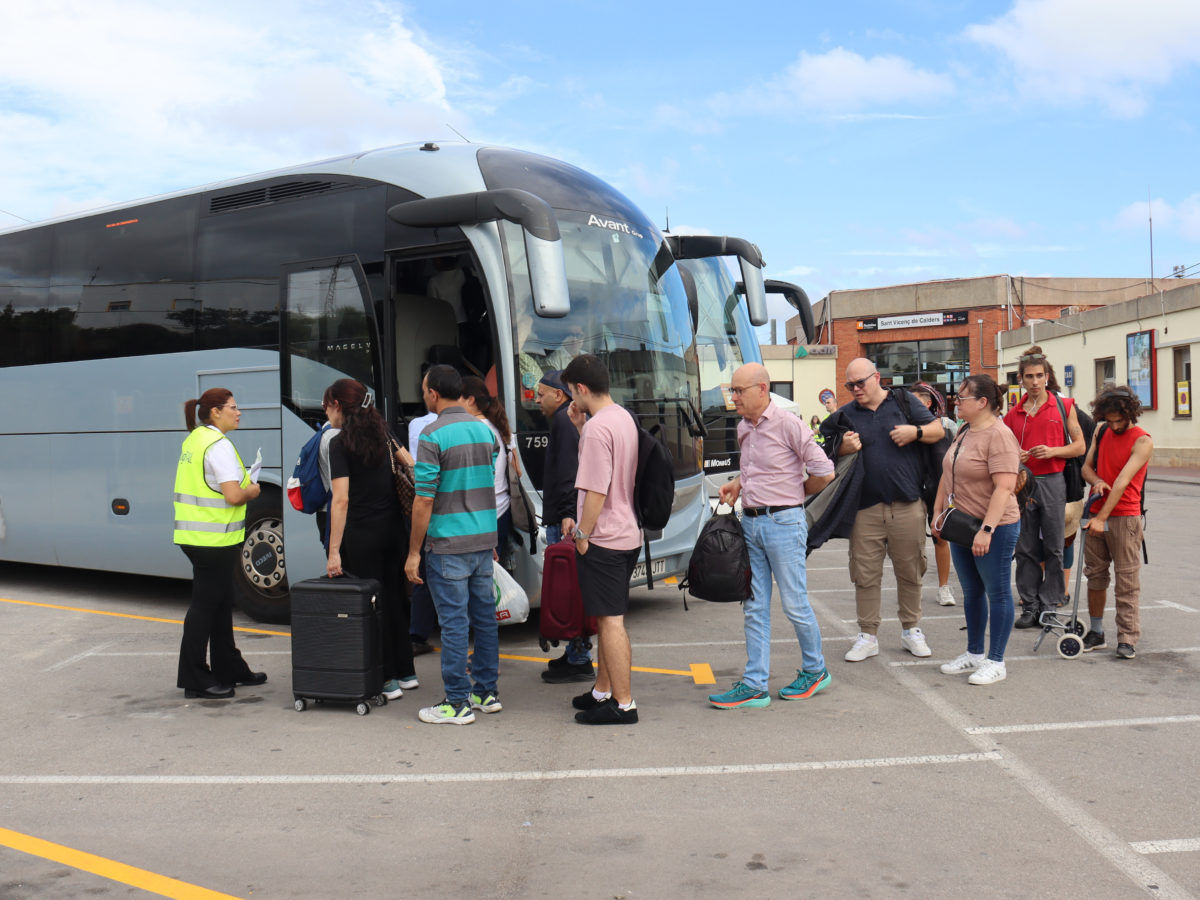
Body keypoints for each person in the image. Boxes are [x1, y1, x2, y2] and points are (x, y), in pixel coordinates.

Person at [709, 363, 835, 709]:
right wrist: (738, 484)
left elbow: (824, 472)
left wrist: (791, 496)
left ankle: (815, 669)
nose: (733, 397)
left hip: (783, 524)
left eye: (739, 391)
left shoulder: (789, 425)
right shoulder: (743, 428)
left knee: (794, 604)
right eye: (731, 391)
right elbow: (758, 470)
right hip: (750, 523)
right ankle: (754, 684)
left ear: (762, 390)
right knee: (753, 607)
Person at [407, 364, 501, 725]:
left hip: (447, 543)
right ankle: (486, 692)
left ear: (433, 393)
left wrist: (414, 551)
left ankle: (457, 702)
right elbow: (486, 482)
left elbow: (424, 499)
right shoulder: (484, 431)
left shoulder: (432, 435)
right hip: (482, 539)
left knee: (454, 624)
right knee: (484, 620)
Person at [833, 359, 944, 662]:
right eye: (850, 385)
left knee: (910, 571)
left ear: (877, 378)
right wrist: (842, 448)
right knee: (865, 575)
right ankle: (868, 635)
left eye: (860, 383)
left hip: (907, 504)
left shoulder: (904, 401)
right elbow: (821, 449)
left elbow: (938, 430)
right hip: (864, 509)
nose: (855, 389)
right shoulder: (844, 414)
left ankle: (911, 630)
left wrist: (915, 433)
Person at [323, 379, 416, 702]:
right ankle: (406, 671)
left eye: (327, 405)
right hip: (394, 530)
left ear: (337, 405)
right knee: (394, 596)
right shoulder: (383, 432)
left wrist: (334, 551)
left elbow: (341, 500)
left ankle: (386, 677)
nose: (326, 412)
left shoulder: (339, 443)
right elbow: (412, 466)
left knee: (371, 605)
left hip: (362, 535)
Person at [561, 354, 642, 725]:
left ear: (580, 388)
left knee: (610, 622)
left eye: (569, 393)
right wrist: (581, 427)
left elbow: (595, 490)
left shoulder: (597, 429)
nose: (569, 402)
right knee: (611, 617)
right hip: (627, 532)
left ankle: (623, 704)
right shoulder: (620, 417)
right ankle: (602, 692)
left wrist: (582, 535)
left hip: (604, 538)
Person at [173, 388, 266, 699]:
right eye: (233, 407)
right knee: (205, 606)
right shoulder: (218, 445)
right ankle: (194, 677)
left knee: (220, 603)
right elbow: (233, 495)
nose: (238, 413)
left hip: (197, 537)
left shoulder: (195, 439)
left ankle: (229, 667)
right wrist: (252, 491)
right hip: (212, 540)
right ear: (216, 412)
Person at [932, 375, 1022, 685]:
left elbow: (1005, 487)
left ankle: (996, 660)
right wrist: (938, 510)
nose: (956, 400)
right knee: (972, 592)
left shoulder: (1000, 435)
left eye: (962, 397)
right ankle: (974, 653)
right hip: (961, 524)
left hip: (994, 526)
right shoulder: (965, 430)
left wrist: (986, 530)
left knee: (997, 593)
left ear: (982, 402)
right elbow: (949, 471)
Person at [1001, 346, 1085, 629]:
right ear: (1021, 380)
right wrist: (1018, 456)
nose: (1035, 381)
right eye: (1029, 376)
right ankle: (1029, 604)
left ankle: (1050, 605)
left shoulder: (1064, 406)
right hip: (1023, 485)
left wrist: (1053, 452)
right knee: (1025, 547)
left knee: (1054, 546)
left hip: (1052, 481)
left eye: (1039, 375)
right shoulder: (1013, 415)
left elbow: (1080, 446)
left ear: (1047, 377)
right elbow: (1004, 451)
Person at [1080, 386, 1153, 659]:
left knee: (1127, 580)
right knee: (1095, 576)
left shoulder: (1142, 441)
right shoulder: (1101, 431)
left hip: (1124, 517)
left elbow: (1122, 482)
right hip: (1096, 512)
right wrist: (1096, 480)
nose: (1114, 425)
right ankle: (1096, 632)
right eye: (1109, 420)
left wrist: (1101, 518)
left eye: (1118, 420)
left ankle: (1127, 638)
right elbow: (1086, 467)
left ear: (1130, 413)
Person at [535, 369, 593, 683]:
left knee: (570, 591)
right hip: (561, 514)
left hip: (564, 518)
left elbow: (572, 471)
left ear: (559, 395)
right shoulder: (562, 420)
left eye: (541, 393)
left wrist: (569, 513)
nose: (536, 399)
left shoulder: (562, 421)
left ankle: (580, 658)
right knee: (570, 589)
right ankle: (575, 653)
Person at [910, 382, 958, 607]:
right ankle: (913, 586)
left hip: (940, 489)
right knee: (913, 542)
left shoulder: (946, 427)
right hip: (913, 490)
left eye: (915, 400)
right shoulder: (905, 427)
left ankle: (943, 588)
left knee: (941, 538)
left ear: (928, 403)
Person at [461, 375, 518, 558]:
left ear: (470, 400)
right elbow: (517, 472)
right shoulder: (501, 428)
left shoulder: (470, 430)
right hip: (502, 511)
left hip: (479, 517)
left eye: (456, 399)